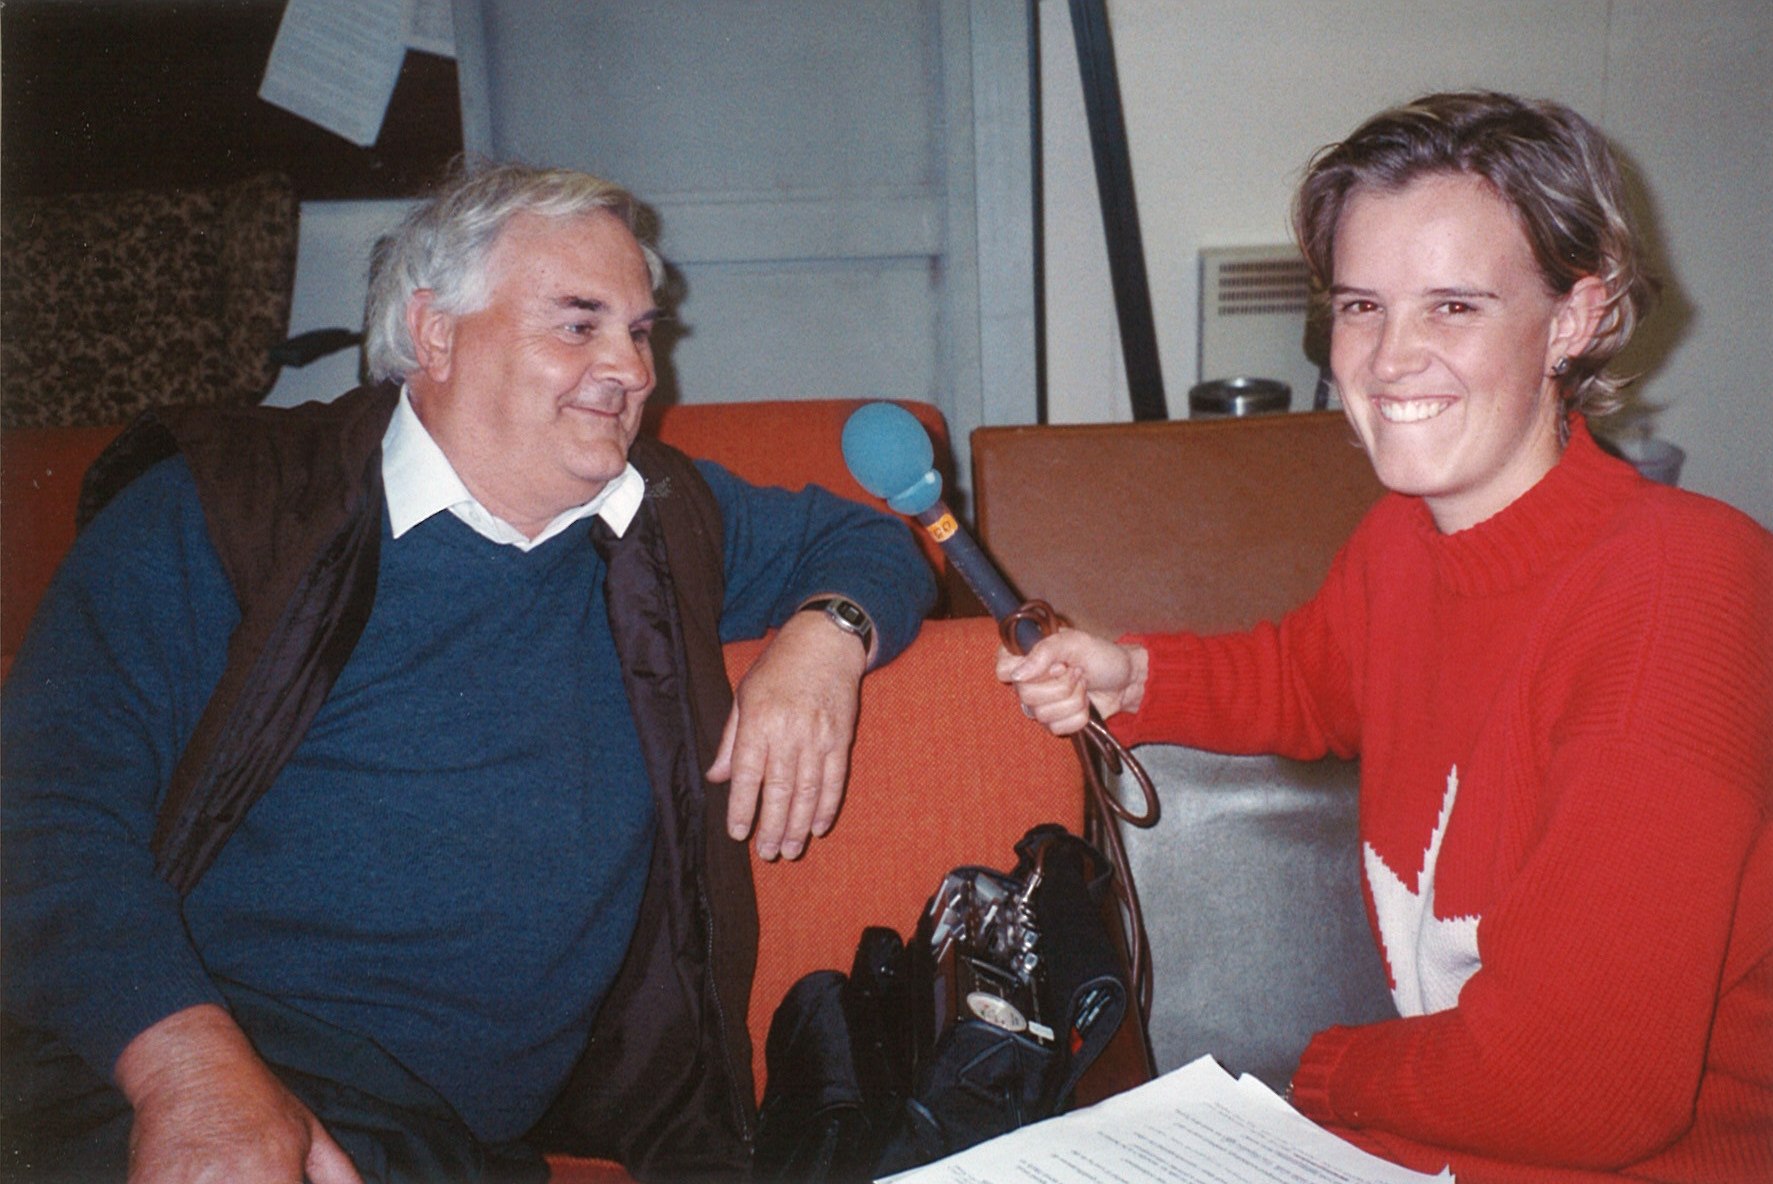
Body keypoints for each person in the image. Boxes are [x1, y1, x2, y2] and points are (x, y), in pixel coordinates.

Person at [0, 162, 936, 1183]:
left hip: (449, 1150)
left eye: (640, 330)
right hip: (192, 1076)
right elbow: (43, 811)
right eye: (578, 324)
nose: (631, 369)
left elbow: (874, 541)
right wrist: (188, 1074)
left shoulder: (663, 519)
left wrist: (823, 640)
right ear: (434, 331)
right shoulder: (224, 505)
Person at [1000, 91, 1771, 1182]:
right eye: (1362, 306)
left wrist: (1314, 1077)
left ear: (1572, 319)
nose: (1389, 358)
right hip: (1461, 1138)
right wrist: (1133, 673)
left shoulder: (1680, 590)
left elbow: (1578, 1085)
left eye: (1453, 306)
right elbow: (1309, 677)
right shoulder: (1403, 543)